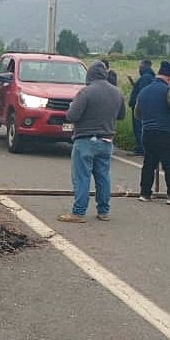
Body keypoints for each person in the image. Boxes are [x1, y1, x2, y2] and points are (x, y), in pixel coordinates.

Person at [58, 61, 126, 223]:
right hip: (106, 141)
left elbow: (72, 116)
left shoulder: (86, 93)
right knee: (103, 176)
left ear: (90, 75)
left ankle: (78, 212)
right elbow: (121, 116)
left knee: (82, 177)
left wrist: (72, 106)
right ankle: (103, 211)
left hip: (86, 140)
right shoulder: (117, 93)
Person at [136, 60, 170, 205]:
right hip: (165, 133)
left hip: (147, 132)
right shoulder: (167, 91)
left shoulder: (144, 91)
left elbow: (137, 113)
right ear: (168, 78)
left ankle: (145, 193)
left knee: (149, 163)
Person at [128, 59, 155, 155]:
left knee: (139, 128)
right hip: (145, 108)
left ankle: (141, 148)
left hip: (139, 109)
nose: (139, 68)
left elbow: (142, 93)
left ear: (144, 67)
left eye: (140, 66)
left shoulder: (145, 78)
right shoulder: (149, 77)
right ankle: (140, 147)